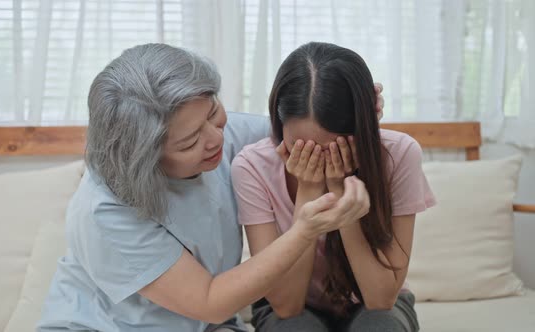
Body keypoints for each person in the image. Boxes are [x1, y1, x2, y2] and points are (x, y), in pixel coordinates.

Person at [37, 43, 385, 332]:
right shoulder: (106, 213)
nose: (217, 137)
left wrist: (351, 117)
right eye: (189, 143)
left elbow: (304, 135)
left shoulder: (220, 136)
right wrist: (305, 229)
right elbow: (209, 302)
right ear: (143, 159)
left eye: (214, 112)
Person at [231, 42, 436, 332]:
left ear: (361, 129)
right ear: (279, 124)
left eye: (335, 148)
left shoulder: (399, 153)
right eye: (300, 147)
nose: (318, 159)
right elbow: (287, 306)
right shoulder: (252, 166)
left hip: (374, 302)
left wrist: (342, 195)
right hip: (290, 306)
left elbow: (380, 299)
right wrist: (309, 189)